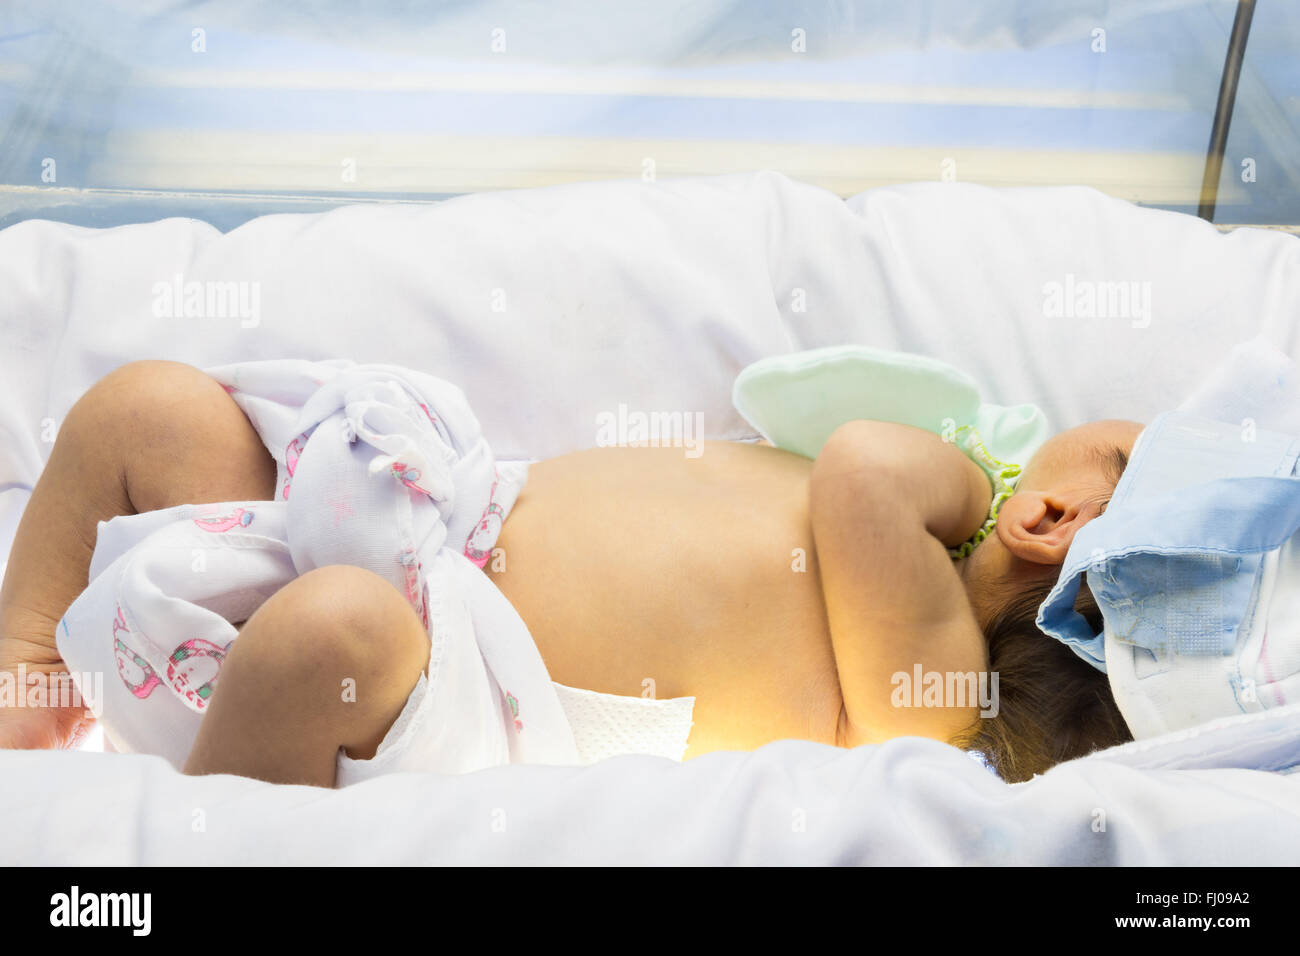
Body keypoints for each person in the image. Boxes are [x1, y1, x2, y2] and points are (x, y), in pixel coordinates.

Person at [0, 359, 1141, 785]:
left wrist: (967, 481)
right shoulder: (904, 585)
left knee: (330, 632)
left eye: (1128, 454)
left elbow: (860, 470)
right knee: (143, 409)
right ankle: (26, 676)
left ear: (1049, 517)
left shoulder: (935, 696)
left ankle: (206, 816)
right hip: (417, 508)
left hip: (442, 665)